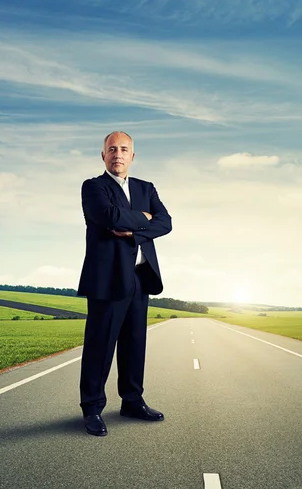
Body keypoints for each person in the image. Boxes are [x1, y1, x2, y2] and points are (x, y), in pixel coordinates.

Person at [77, 131, 172, 436]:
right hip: (108, 277)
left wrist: (132, 230)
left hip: (140, 277)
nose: (118, 154)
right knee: (100, 345)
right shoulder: (93, 187)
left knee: (134, 343)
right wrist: (143, 219)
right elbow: (107, 216)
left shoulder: (146, 188)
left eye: (124, 149)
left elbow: (166, 222)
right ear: (103, 155)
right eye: (112, 149)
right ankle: (91, 408)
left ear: (133, 156)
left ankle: (132, 400)